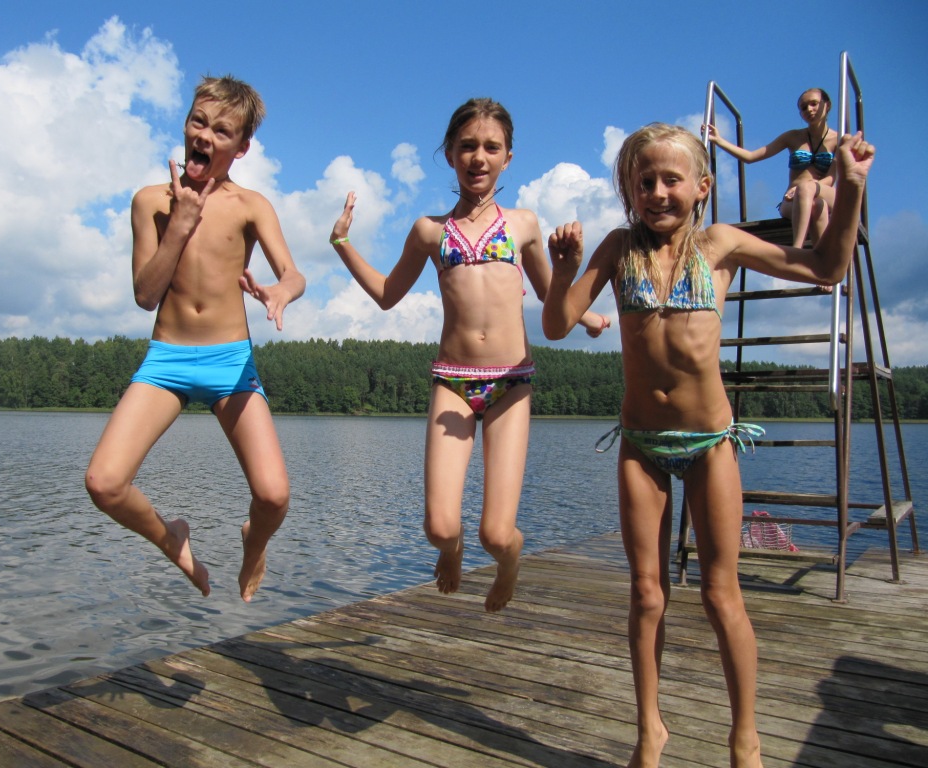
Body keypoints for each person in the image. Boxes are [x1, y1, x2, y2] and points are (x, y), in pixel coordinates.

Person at [542, 123, 873, 768]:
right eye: (644, 181)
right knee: (646, 593)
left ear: (702, 186)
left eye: (671, 180)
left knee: (722, 595)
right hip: (641, 444)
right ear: (629, 190)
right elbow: (556, 325)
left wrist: (852, 188)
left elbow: (827, 268)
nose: (657, 192)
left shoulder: (719, 244)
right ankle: (650, 730)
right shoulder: (619, 248)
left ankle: (745, 737)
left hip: (710, 443)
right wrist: (562, 271)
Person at [329, 98, 610, 612]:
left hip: (511, 382)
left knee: (497, 534)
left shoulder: (523, 224)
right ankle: (451, 549)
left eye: (491, 147)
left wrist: (586, 317)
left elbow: (549, 295)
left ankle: (510, 561)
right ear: (450, 155)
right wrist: (342, 242)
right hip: (452, 381)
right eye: (467, 146)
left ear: (508, 157)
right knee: (439, 528)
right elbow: (388, 295)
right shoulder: (430, 231)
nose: (479, 157)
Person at [85, 75, 305, 603]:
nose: (205, 136)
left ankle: (254, 544)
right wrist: (180, 224)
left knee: (274, 497)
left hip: (230, 362)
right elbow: (145, 295)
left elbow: (293, 273)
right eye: (198, 123)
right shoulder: (149, 202)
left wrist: (281, 291)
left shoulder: (251, 205)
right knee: (104, 484)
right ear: (186, 126)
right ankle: (171, 538)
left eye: (222, 131)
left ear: (241, 147)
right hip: (168, 360)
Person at [704, 88, 838, 248]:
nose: (809, 109)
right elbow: (751, 156)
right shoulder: (793, 137)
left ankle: (796, 250)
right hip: (793, 200)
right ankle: (819, 258)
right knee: (818, 206)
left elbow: (831, 178)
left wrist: (806, 188)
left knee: (810, 192)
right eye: (803, 107)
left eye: (814, 104)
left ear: (827, 105)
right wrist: (719, 140)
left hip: (824, 191)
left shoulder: (839, 140)